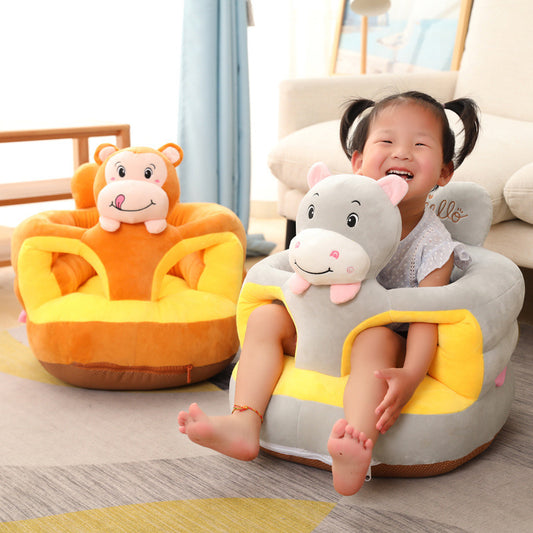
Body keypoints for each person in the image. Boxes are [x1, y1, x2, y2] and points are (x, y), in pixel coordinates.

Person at [178, 91, 480, 496]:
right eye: (387, 142)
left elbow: (428, 313)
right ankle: (244, 421)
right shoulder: (339, 214)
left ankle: (355, 445)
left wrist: (411, 374)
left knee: (374, 340)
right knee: (267, 317)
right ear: (357, 162)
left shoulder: (432, 243)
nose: (403, 154)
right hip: (320, 328)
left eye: (420, 145)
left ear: (444, 173)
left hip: (378, 337)